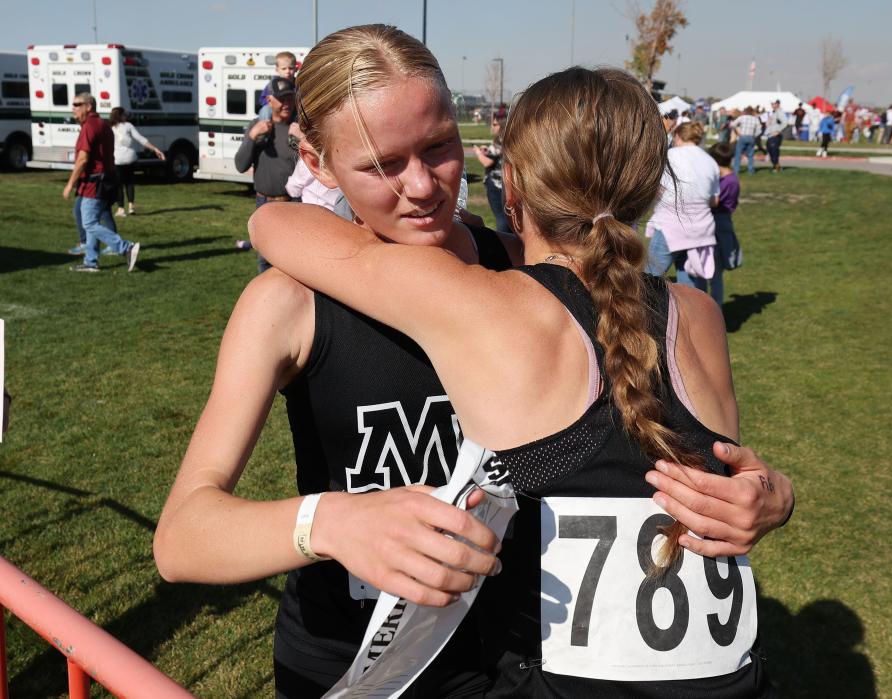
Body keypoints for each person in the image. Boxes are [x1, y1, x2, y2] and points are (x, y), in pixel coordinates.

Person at [158, 25, 794, 698]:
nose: (423, 186)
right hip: (351, 666)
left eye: (439, 148)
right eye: (382, 165)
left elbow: (656, 438)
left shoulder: (524, 272)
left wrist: (766, 492)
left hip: (508, 661)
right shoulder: (288, 302)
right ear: (314, 161)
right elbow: (183, 536)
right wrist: (333, 521)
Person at [63, 93, 140, 273]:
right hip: (106, 180)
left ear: (89, 106)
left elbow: (83, 159)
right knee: (90, 219)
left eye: (77, 104)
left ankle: (125, 247)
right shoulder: (103, 124)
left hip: (95, 183)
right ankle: (91, 261)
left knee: (89, 223)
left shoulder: (89, 126)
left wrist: (69, 184)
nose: (73, 108)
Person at [644, 121, 719, 292]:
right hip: (701, 227)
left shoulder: (671, 156)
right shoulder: (710, 161)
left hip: (672, 223)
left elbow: (658, 190)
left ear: (677, 137)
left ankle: (644, 315)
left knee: (650, 277)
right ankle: (697, 317)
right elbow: (715, 200)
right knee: (691, 281)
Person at [234, 76, 299, 273]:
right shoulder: (258, 126)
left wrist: (302, 140)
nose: (287, 103)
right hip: (264, 204)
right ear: (269, 100)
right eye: (282, 99)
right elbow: (240, 165)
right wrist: (253, 137)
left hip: (294, 205)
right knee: (265, 260)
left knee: (292, 261)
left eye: (290, 98)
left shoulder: (298, 128)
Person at [110, 107, 165, 217]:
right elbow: (141, 139)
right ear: (120, 116)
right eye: (125, 114)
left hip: (117, 160)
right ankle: (131, 206)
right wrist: (155, 149)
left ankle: (121, 209)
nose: (126, 116)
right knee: (130, 182)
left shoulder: (110, 128)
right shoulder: (129, 126)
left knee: (118, 185)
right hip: (131, 158)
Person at [707, 142, 741, 305]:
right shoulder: (731, 178)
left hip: (718, 223)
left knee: (715, 271)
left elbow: (715, 202)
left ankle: (715, 309)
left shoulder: (726, 181)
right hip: (722, 221)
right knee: (714, 272)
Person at [472, 116, 510, 233]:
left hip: (496, 185)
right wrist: (487, 151)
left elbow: (487, 163)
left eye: (495, 124)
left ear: (501, 125)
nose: (492, 127)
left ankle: (504, 242)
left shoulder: (498, 141)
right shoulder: (509, 138)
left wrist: (478, 153)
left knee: (501, 217)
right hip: (508, 182)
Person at [258, 51, 298, 121]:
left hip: (293, 110)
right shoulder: (272, 85)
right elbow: (262, 99)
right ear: (277, 70)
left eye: (291, 68)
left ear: (296, 69)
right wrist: (273, 104)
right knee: (265, 109)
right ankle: (265, 127)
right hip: (276, 111)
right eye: (284, 68)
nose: (287, 71)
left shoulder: (298, 84)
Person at [731, 106, 762, 174]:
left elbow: (732, 124)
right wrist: (754, 135)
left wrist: (738, 131)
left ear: (745, 111)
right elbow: (759, 130)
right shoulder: (755, 119)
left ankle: (736, 170)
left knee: (738, 154)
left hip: (742, 136)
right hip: (751, 137)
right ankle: (750, 170)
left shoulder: (742, 117)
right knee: (750, 155)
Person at [765, 100, 788, 173]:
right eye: (772, 104)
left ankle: (776, 167)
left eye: (774, 103)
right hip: (770, 135)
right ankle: (776, 166)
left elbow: (785, 122)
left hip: (775, 136)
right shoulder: (774, 112)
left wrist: (778, 131)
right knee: (770, 150)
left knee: (774, 151)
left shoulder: (780, 112)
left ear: (778, 104)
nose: (772, 105)